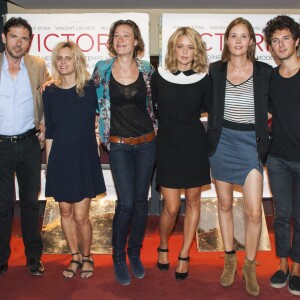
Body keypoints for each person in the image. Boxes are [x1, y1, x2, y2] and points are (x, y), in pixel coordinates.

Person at [207, 17, 272, 296]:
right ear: (227, 40)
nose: (238, 41)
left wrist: (263, 118)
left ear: (251, 41)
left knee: (254, 211)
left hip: (250, 144)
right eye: (233, 35)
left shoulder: (265, 71)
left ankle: (250, 265)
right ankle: (230, 258)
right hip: (221, 142)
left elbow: (275, 104)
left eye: (243, 36)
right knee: (223, 204)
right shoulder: (215, 70)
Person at [92, 20, 156, 285]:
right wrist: (52, 83)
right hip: (118, 145)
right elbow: (87, 97)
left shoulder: (147, 69)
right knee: (127, 203)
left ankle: (134, 253)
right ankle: (118, 257)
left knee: (142, 203)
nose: (121, 40)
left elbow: (160, 100)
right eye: (116, 35)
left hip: (147, 143)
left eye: (126, 35)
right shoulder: (102, 69)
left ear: (136, 41)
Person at [151, 27, 211, 280]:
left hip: (195, 145)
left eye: (190, 47)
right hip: (167, 145)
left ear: (196, 50)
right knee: (172, 208)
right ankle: (163, 245)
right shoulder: (158, 77)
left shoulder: (205, 78)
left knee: (194, 202)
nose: (185, 52)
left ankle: (184, 253)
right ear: (172, 49)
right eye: (180, 46)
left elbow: (210, 111)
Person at [43, 41, 106, 279]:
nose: (63, 62)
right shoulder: (49, 92)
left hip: (84, 157)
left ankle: (87, 256)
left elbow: (105, 114)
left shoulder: (90, 88)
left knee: (81, 215)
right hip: (60, 157)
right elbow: (50, 131)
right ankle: (74, 256)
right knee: (65, 212)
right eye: (59, 58)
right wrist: (50, 164)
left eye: (68, 58)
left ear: (77, 60)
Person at [0, 17, 50, 276]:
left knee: (31, 202)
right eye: (14, 37)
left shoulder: (38, 65)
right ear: (4, 38)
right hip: (1, 146)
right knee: (2, 204)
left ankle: (33, 257)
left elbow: (49, 93)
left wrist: (43, 123)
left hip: (30, 144)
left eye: (24, 38)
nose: (18, 43)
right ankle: (1, 258)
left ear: (29, 42)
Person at [263, 15, 300, 296]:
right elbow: (268, 113)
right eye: (275, 41)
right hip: (277, 159)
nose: (280, 44)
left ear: (296, 41)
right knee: (281, 214)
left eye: (285, 38)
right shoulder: (272, 77)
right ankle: (282, 263)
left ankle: (298, 267)